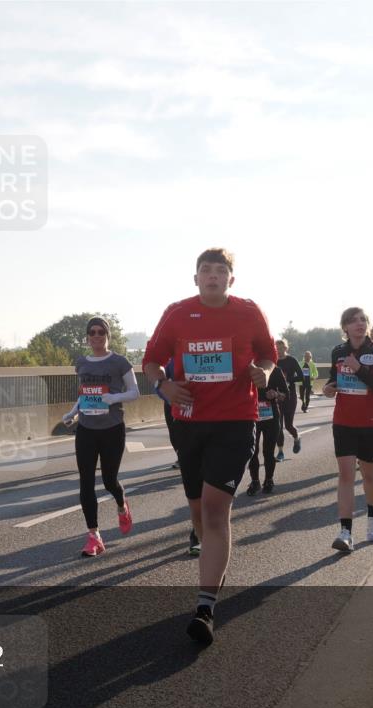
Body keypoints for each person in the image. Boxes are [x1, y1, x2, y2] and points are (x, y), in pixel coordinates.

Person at [143, 248, 276, 646]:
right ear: (196, 277)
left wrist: (263, 371)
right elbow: (152, 361)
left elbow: (268, 354)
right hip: (188, 424)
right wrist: (163, 386)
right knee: (200, 512)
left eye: (221, 271)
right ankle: (212, 563)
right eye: (206, 270)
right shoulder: (177, 313)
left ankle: (205, 607)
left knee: (217, 511)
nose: (213, 276)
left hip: (236, 421)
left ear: (231, 280)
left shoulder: (249, 311)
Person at [61, 317, 139, 557]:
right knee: (85, 481)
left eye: (101, 332)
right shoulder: (82, 363)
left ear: (108, 335)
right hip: (86, 429)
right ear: (87, 337)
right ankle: (93, 536)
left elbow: (135, 391)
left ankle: (121, 503)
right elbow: (85, 394)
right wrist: (73, 413)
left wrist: (114, 399)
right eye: (92, 333)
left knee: (109, 481)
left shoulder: (119, 362)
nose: (96, 336)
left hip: (112, 428)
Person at [322, 307, 373, 551]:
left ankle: (372, 517)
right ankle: (345, 532)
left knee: (369, 474)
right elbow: (335, 379)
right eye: (353, 321)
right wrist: (329, 388)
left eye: (363, 320)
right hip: (343, 421)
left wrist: (359, 369)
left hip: (371, 422)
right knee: (345, 475)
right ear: (345, 327)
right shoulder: (338, 352)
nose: (359, 324)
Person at [154, 359, 199, 555]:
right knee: (193, 474)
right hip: (179, 409)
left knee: (210, 475)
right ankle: (200, 526)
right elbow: (156, 370)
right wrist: (164, 388)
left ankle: (199, 532)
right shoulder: (174, 351)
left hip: (213, 414)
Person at [247, 365, 288, 496]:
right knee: (252, 451)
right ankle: (255, 481)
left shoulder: (275, 370)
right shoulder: (247, 369)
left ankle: (269, 480)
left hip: (271, 415)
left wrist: (276, 394)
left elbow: (285, 394)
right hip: (252, 414)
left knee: (268, 451)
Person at [274, 339, 303, 460]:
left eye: (281, 348)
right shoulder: (273, 361)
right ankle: (280, 452)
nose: (279, 351)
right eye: (277, 348)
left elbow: (301, 376)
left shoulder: (292, 360)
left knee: (288, 425)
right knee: (278, 426)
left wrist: (288, 380)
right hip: (277, 397)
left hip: (290, 396)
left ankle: (297, 438)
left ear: (286, 348)